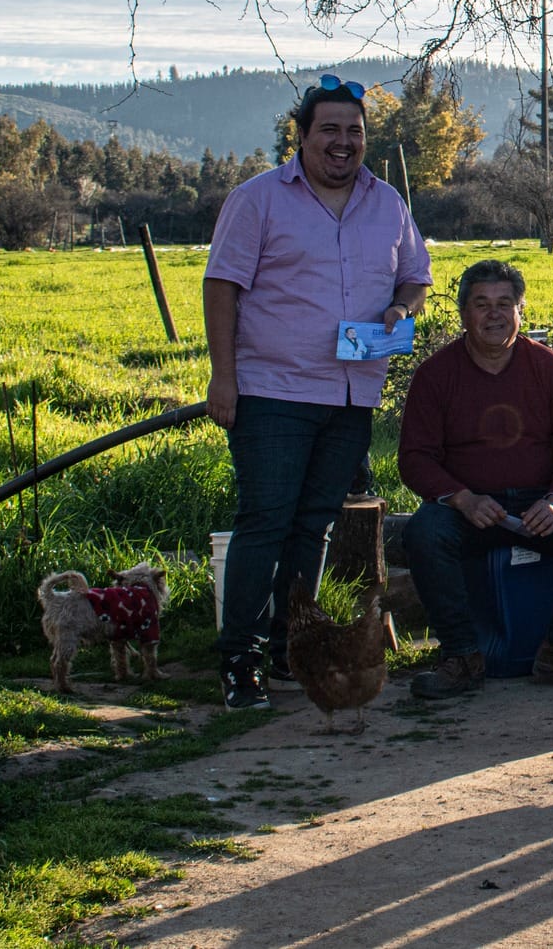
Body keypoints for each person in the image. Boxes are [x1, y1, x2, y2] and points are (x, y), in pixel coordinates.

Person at [205, 74, 431, 711]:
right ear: (300, 136)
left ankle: (289, 649)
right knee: (264, 524)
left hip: (351, 393)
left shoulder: (386, 202)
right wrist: (224, 378)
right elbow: (220, 286)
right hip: (272, 392)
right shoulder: (258, 200)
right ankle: (238, 662)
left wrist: (399, 310)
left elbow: (416, 277)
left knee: (312, 529)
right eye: (328, 129)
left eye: (354, 131)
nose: (342, 142)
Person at [398, 259, 553, 697]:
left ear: (520, 312)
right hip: (469, 509)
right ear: (463, 315)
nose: (494, 314)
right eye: (481, 304)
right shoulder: (436, 375)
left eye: (504, 304)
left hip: (539, 507)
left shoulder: (550, 368)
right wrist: (461, 499)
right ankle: (461, 656)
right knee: (422, 532)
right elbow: (415, 459)